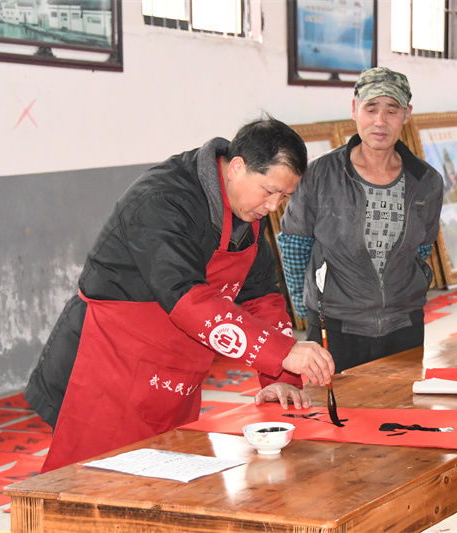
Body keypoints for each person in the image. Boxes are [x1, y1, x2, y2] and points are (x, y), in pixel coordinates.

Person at [25, 117, 335, 472]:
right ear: (236, 167)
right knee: (97, 490)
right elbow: (187, 298)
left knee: (171, 486)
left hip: (174, 381)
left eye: (285, 196)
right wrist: (283, 351)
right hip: (110, 370)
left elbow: (261, 294)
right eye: (269, 191)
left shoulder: (247, 209)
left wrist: (279, 376)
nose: (274, 206)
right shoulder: (162, 200)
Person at [277, 67, 443, 372]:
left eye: (391, 110)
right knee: (333, 417)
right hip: (336, 326)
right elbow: (294, 242)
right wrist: (306, 307)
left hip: (403, 324)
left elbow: (422, 247)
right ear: (355, 110)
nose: (380, 121)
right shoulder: (320, 175)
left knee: (401, 415)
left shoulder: (426, 182)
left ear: (407, 115)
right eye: (371, 108)